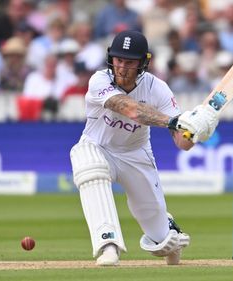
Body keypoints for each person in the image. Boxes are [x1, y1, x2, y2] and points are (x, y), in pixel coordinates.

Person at [69, 30, 218, 266]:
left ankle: (168, 230)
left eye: (129, 62)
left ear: (143, 63)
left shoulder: (158, 88)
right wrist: (174, 121)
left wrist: (196, 129)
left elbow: (182, 143)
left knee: (161, 241)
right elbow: (130, 109)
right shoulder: (99, 80)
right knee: (88, 165)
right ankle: (109, 245)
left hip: (135, 155)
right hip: (97, 146)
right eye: (118, 60)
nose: (122, 67)